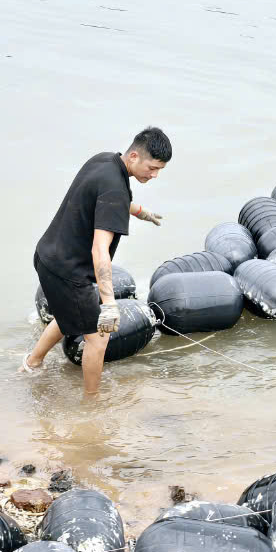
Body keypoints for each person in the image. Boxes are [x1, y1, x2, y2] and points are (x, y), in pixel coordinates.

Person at [21, 127, 171, 394]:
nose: (155, 175)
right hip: (68, 272)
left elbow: (98, 197)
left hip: (48, 256)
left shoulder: (104, 161)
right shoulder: (116, 188)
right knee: (99, 338)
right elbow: (99, 250)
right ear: (135, 156)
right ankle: (92, 405)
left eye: (160, 169)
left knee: (72, 314)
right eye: (152, 167)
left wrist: (138, 211)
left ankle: (32, 364)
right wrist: (110, 304)